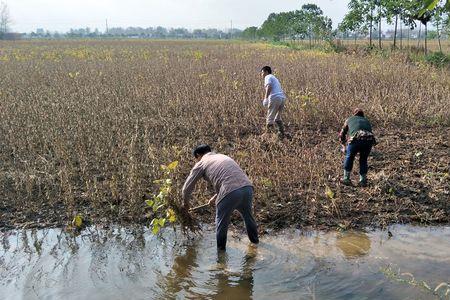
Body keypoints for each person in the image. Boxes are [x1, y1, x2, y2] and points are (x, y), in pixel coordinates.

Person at [182, 144, 259, 251]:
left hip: (230, 191)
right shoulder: (223, 157)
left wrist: (185, 204)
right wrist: (215, 197)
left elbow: (186, 188)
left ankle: (221, 257)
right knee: (248, 216)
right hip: (247, 188)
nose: (196, 161)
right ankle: (255, 244)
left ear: (198, 155)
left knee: (221, 222)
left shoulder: (202, 162)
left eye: (196, 159)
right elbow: (229, 178)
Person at [339, 109, 376, 187]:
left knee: (350, 156)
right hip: (369, 139)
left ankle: (346, 178)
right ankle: (363, 181)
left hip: (356, 139)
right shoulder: (366, 121)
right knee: (363, 159)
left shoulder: (349, 119)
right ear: (363, 115)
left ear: (354, 114)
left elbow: (342, 134)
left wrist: (343, 145)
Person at [261, 66, 286, 138]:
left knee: (270, 117)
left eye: (262, 72)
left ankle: (268, 135)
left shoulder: (267, 77)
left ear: (266, 72)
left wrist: (266, 98)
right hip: (282, 98)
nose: (261, 75)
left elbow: (269, 86)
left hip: (275, 98)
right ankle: (281, 134)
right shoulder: (274, 78)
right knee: (277, 118)